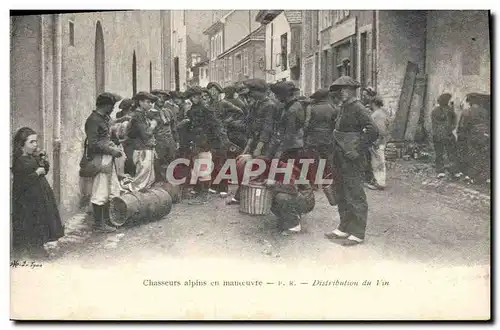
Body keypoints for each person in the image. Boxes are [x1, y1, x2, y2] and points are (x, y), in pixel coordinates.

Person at [324, 76, 378, 246]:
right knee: (340, 191)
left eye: (344, 90)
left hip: (352, 157)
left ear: (351, 90)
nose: (341, 93)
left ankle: (358, 232)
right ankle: (344, 227)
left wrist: (357, 149)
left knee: (355, 193)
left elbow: (373, 131)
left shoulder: (358, 108)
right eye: (340, 90)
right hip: (340, 156)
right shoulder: (344, 108)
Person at [11, 127, 64, 259]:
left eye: (36, 141)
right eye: (32, 142)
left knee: (41, 222)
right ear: (22, 144)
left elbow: (44, 170)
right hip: (28, 201)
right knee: (32, 223)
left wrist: (44, 161)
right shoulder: (19, 161)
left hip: (38, 198)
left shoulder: (31, 157)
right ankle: (34, 251)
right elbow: (21, 183)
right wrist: (36, 173)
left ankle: (39, 247)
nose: (35, 144)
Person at [235, 155, 315, 236]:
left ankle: (294, 225)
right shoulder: (272, 169)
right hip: (297, 197)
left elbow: (292, 189)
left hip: (306, 200)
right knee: (270, 195)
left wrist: (274, 183)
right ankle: (291, 217)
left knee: (281, 197)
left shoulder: (286, 168)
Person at [82, 92, 124, 233]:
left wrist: (113, 145)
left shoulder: (103, 118)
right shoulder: (93, 120)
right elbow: (93, 144)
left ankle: (106, 221)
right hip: (99, 159)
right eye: (111, 106)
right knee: (100, 190)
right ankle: (98, 225)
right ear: (105, 105)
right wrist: (111, 150)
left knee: (110, 189)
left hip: (107, 157)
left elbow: (105, 137)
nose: (113, 109)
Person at [184, 86, 230, 205]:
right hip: (196, 142)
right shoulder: (192, 110)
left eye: (197, 96)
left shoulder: (206, 110)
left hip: (204, 143)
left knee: (204, 168)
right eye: (192, 97)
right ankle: (200, 191)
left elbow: (215, 127)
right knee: (198, 168)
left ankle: (204, 196)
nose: (195, 99)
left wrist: (216, 141)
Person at [304, 88, 338, 185]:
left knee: (313, 159)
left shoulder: (311, 108)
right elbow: (335, 124)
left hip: (313, 138)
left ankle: (314, 181)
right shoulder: (332, 107)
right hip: (328, 137)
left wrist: (306, 135)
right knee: (327, 159)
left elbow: (307, 124)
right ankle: (327, 180)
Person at [126, 91, 158, 192]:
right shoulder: (137, 116)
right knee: (142, 175)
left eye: (151, 103)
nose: (150, 105)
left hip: (146, 147)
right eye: (148, 102)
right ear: (140, 102)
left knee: (149, 175)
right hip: (141, 149)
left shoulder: (143, 114)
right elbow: (145, 134)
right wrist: (153, 125)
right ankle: (132, 193)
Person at [270, 81, 306, 168]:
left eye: (277, 94)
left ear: (284, 94)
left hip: (292, 147)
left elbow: (290, 132)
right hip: (294, 145)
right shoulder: (292, 105)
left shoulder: (292, 109)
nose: (275, 97)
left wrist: (280, 151)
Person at [457, 93, 490, 184]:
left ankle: (470, 176)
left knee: (472, 155)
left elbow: (463, 126)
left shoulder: (467, 112)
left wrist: (460, 135)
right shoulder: (484, 111)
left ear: (470, 102)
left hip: (473, 136)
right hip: (484, 136)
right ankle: (483, 176)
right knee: (483, 156)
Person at [148, 90, 178, 183]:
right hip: (158, 141)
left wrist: (176, 140)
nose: (161, 100)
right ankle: (161, 184)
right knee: (159, 163)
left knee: (172, 161)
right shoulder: (150, 113)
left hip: (170, 140)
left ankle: (170, 184)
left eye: (164, 98)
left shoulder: (168, 111)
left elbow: (173, 127)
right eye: (159, 97)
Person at [366, 96, 391, 190]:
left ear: (373, 104)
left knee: (377, 161)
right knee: (378, 160)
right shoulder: (384, 112)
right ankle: (378, 180)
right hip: (381, 140)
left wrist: (376, 140)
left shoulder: (377, 114)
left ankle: (380, 182)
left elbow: (380, 129)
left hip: (377, 141)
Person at [431, 93, 458, 178]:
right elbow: (437, 123)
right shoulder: (436, 111)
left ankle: (451, 170)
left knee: (450, 153)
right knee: (441, 153)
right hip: (441, 135)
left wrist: (451, 128)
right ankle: (442, 170)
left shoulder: (449, 110)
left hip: (446, 134)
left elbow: (454, 120)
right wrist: (450, 128)